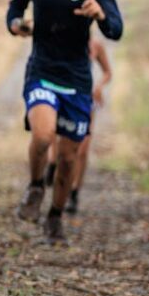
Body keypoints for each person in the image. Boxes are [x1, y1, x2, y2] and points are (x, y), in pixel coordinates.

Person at [7, 0, 123, 243]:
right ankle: (34, 187)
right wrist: (17, 25)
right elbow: (14, 10)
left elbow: (115, 28)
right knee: (43, 137)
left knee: (70, 157)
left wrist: (99, 13)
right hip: (42, 71)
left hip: (77, 79)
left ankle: (55, 216)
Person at [44, 36, 112, 213]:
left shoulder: (95, 45)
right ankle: (52, 162)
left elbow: (107, 73)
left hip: (86, 96)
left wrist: (98, 87)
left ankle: (74, 192)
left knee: (83, 148)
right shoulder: (60, 38)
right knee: (54, 133)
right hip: (62, 93)